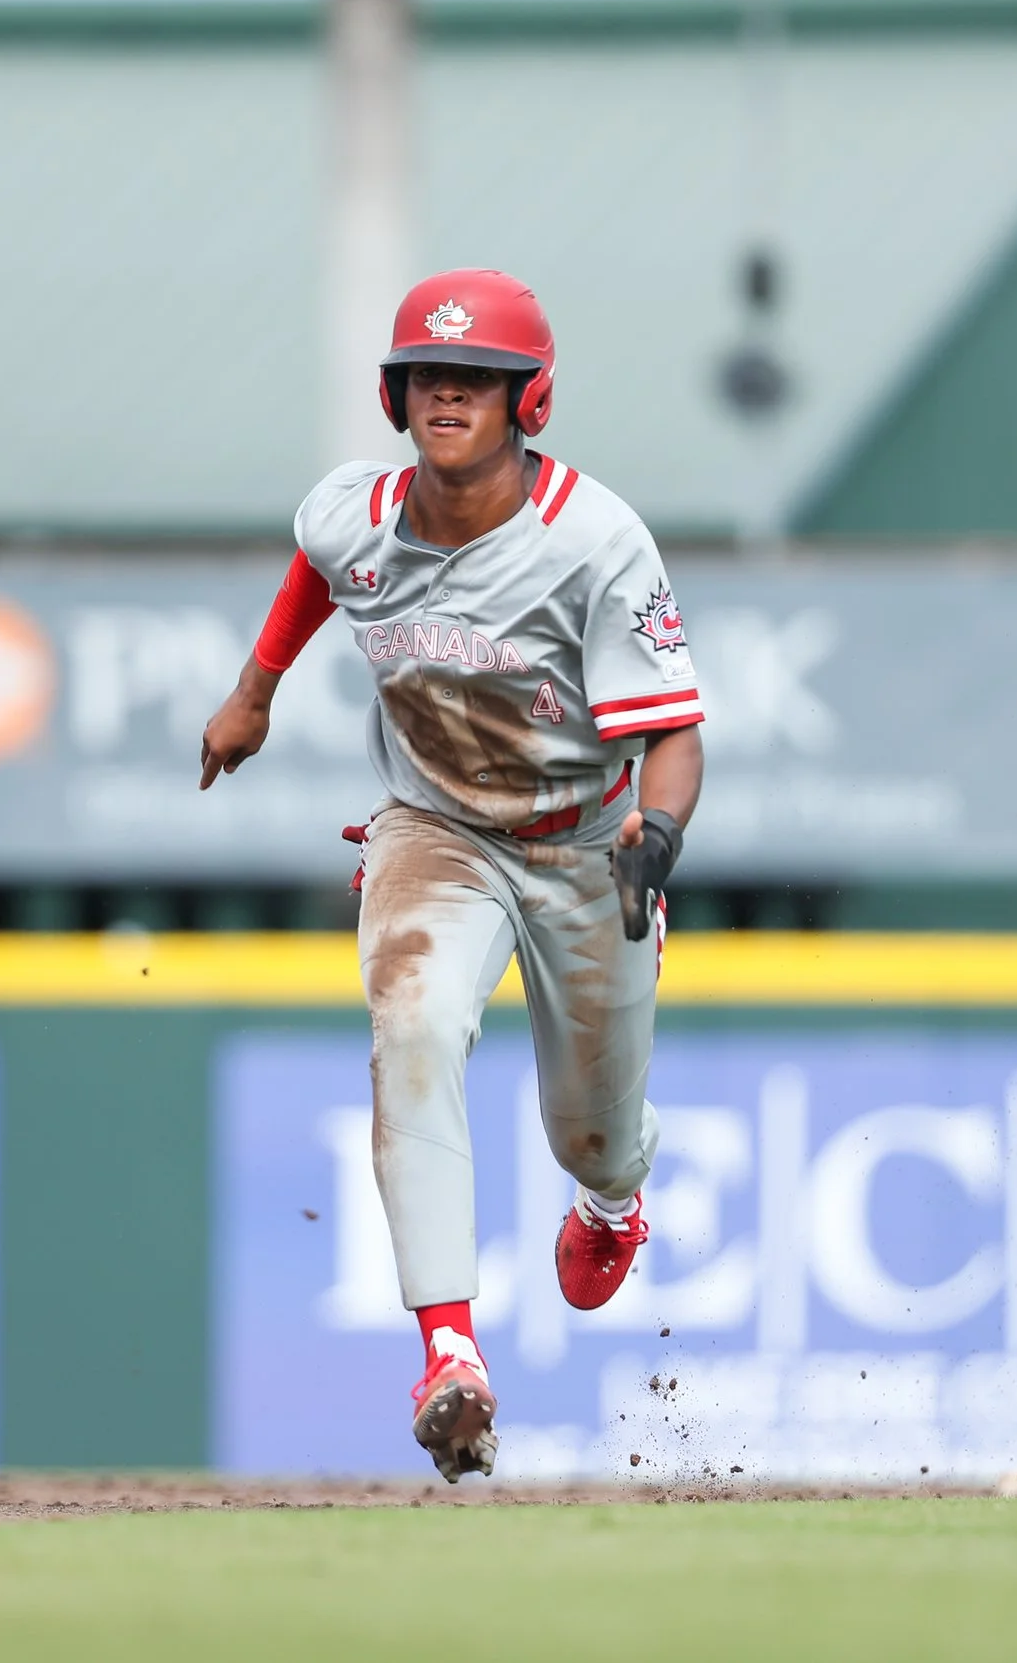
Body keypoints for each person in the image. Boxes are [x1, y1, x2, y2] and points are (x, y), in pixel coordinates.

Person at [200, 271, 704, 1480]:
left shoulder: (593, 540)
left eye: (472, 380)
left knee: (593, 1134)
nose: (446, 395)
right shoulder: (353, 513)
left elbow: (675, 731)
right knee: (413, 1028)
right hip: (435, 828)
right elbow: (322, 569)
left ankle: (609, 1197)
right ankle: (449, 1355)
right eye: (428, 374)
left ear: (527, 397)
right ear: (394, 392)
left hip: (587, 841)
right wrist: (255, 690)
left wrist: (659, 831)